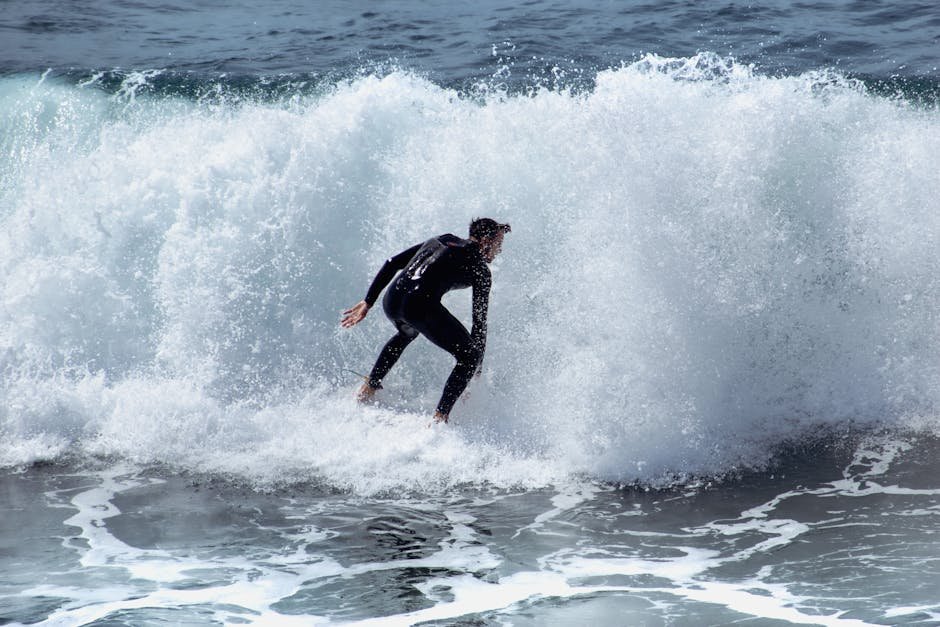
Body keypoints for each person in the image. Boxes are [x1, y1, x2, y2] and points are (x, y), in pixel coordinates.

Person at [341, 218, 510, 424]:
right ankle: (440, 418)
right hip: (418, 306)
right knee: (469, 355)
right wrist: (476, 368)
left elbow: (392, 263)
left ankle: (368, 389)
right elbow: (479, 323)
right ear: (486, 241)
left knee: (407, 332)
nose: (499, 250)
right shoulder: (480, 271)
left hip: (392, 300)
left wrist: (368, 301)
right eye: (498, 244)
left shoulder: (443, 239)